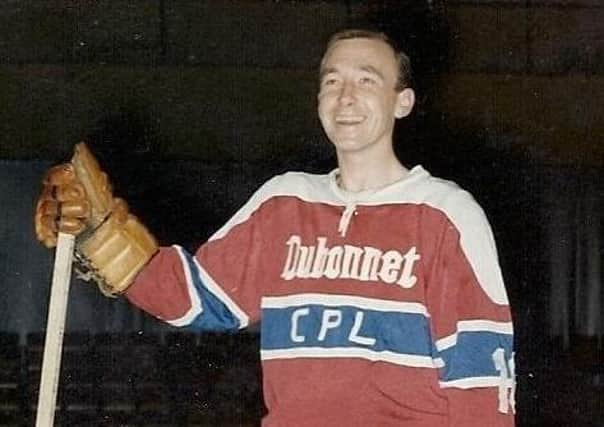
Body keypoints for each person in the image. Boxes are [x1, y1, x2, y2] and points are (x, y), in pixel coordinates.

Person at [35, 29, 516, 426]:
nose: (345, 97)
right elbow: (197, 297)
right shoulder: (284, 202)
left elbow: (479, 381)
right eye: (332, 82)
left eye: (367, 81)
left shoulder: (446, 213)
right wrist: (102, 235)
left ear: (403, 102)